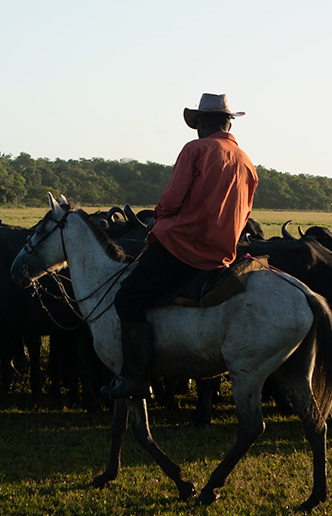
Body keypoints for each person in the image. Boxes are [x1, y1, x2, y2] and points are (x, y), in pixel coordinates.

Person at [105, 93, 259, 400]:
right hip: (222, 255)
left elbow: (172, 199)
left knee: (128, 298)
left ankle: (135, 377)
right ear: (228, 124)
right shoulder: (247, 163)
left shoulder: (196, 149)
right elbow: (245, 215)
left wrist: (157, 222)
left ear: (202, 124)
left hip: (183, 247)